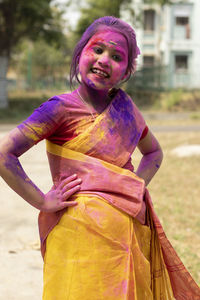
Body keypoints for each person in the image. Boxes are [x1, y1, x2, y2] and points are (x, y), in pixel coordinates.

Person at [0, 16, 199, 300]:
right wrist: (42, 201)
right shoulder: (59, 109)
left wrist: (135, 186)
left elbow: (153, 152)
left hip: (127, 237)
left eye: (116, 56)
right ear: (80, 53)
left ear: (126, 72)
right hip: (77, 241)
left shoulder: (126, 109)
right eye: (98, 49)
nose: (104, 60)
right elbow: (4, 153)